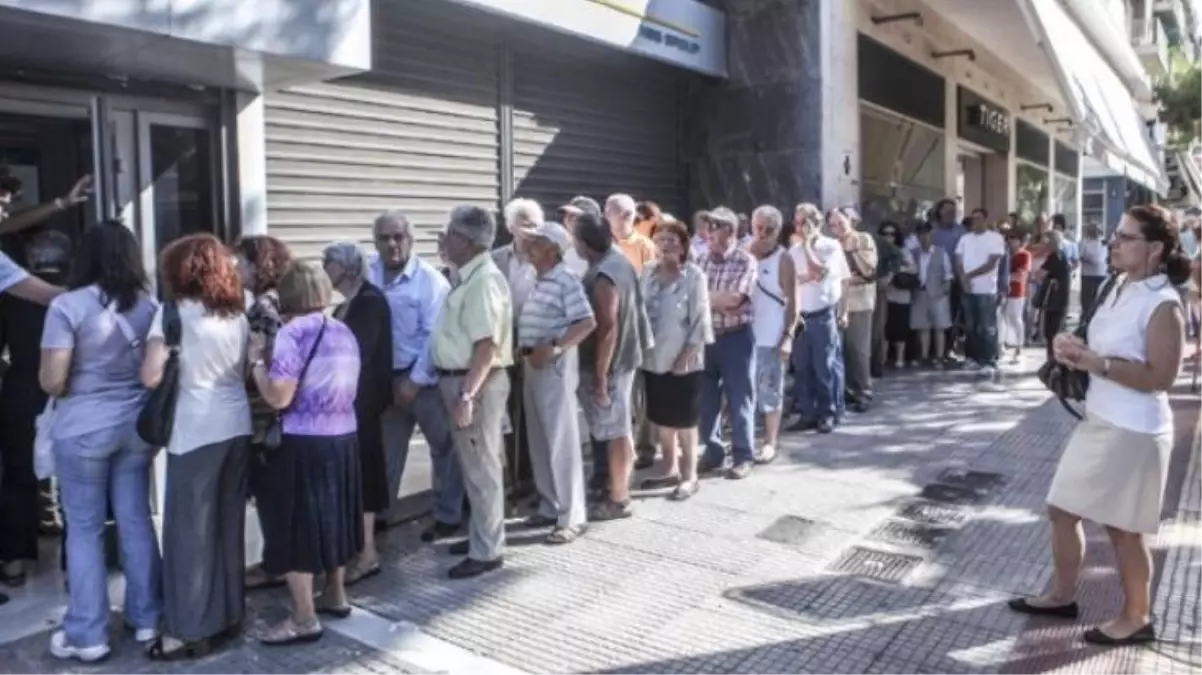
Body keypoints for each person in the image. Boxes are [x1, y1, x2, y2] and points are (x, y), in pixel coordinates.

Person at [1010, 205, 1189, 646]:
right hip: (1101, 420)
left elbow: (1160, 378)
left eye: (1126, 237)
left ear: (1154, 249)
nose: (1114, 242)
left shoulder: (1164, 304)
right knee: (1061, 510)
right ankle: (1061, 595)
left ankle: (1137, 616)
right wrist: (1071, 345)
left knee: (1124, 531)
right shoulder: (1116, 285)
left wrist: (1098, 363)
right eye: (1115, 234)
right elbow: (1101, 344)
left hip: (1135, 431)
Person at [39, 221, 161, 662]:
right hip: (134, 431)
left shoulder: (66, 306)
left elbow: (52, 381)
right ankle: (147, 617)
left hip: (84, 432)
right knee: (135, 520)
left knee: (85, 530)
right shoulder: (148, 307)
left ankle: (87, 634)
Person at [140, 233, 251, 661]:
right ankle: (229, 614)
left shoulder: (172, 315)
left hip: (194, 430)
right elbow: (241, 373)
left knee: (189, 533)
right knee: (227, 525)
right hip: (235, 423)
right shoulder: (236, 316)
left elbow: (150, 376)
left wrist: (164, 352)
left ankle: (187, 630)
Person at [248, 261, 363, 644]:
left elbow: (279, 397)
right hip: (344, 438)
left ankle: (303, 617)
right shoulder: (344, 330)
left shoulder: (292, 333)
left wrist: (256, 365)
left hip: (303, 443)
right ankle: (336, 593)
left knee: (296, 526)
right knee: (334, 517)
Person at [369, 211, 464, 542]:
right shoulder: (370, 272)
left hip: (421, 381)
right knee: (387, 451)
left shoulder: (429, 282)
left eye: (399, 237)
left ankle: (448, 516)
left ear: (410, 240)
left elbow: (433, 337)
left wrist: (414, 380)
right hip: (384, 381)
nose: (392, 244)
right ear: (375, 242)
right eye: (385, 238)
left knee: (443, 448)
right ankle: (380, 517)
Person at [431, 205, 512, 579]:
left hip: (473, 382)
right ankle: (482, 534)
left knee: (482, 469)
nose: (443, 239)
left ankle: (488, 549)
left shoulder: (482, 281)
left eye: (448, 233)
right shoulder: (469, 277)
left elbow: (486, 346)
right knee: (474, 467)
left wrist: (466, 395)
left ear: (465, 240)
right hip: (463, 379)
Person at [0, 229, 73, 588]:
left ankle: (14, 563)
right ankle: (76, 557)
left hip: (22, 388)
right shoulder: (78, 294)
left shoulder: (11, 296)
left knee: (18, 474)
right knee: (78, 474)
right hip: (72, 389)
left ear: (29, 259)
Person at [516, 222, 595, 543]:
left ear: (552, 248)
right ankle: (551, 505)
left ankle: (572, 515)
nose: (528, 248)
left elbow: (587, 322)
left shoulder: (565, 279)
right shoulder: (540, 279)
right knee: (540, 439)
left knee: (561, 441)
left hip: (554, 366)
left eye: (536, 243)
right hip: (533, 364)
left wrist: (556, 347)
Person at [324, 242, 393, 582]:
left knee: (365, 475)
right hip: (346, 407)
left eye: (329, 262)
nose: (324, 267)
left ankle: (368, 553)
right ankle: (358, 548)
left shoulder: (369, 302)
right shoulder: (343, 308)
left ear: (347, 267)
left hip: (363, 404)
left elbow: (356, 352)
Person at [574, 209, 650, 518]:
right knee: (620, 430)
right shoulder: (619, 261)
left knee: (616, 431)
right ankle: (619, 489)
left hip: (613, 366)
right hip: (624, 360)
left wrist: (601, 377)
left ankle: (619, 499)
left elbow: (608, 327)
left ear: (583, 242)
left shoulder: (605, 274)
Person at [233, 235, 293, 592]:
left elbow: (261, 364)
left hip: (263, 418)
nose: (236, 269)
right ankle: (280, 561)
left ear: (260, 265)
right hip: (278, 416)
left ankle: (277, 565)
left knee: (271, 496)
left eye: (241, 261)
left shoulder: (260, 311)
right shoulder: (282, 303)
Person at [640, 220, 713, 499]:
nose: (666, 244)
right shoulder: (647, 272)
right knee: (662, 419)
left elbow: (701, 320)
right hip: (653, 359)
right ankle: (669, 468)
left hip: (685, 362)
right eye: (661, 239)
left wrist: (686, 356)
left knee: (685, 421)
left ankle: (689, 475)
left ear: (683, 245)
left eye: (673, 240)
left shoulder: (694, 276)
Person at [696, 207, 759, 479]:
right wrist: (716, 300)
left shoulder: (745, 261)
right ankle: (713, 452)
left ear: (730, 232)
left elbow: (736, 300)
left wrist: (708, 300)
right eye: (707, 227)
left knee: (740, 397)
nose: (707, 232)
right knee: (706, 399)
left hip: (737, 338)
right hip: (707, 338)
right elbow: (692, 300)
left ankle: (743, 455)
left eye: (714, 227)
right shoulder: (700, 260)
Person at [493, 198, 543, 504]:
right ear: (510, 227)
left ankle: (539, 479)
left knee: (536, 415)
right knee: (509, 415)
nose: (528, 229)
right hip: (504, 346)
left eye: (533, 223)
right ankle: (518, 477)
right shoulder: (497, 259)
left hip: (537, 347)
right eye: (522, 222)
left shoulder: (547, 258)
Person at [605, 194, 658, 471]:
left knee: (639, 393)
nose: (623, 218)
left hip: (635, 327)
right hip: (611, 326)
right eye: (615, 212)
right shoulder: (604, 245)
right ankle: (619, 445)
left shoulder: (645, 246)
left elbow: (650, 286)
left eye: (626, 213)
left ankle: (646, 446)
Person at [788, 203, 849, 434]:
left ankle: (828, 412)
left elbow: (820, 272)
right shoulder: (792, 251)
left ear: (816, 223)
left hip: (822, 315)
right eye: (797, 222)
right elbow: (792, 280)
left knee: (825, 367)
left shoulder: (830, 246)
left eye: (804, 222)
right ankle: (807, 412)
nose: (800, 227)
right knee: (802, 368)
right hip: (800, 317)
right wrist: (806, 275)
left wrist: (806, 245)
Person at [747, 205, 795, 464]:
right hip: (741, 335)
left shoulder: (784, 258)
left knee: (770, 390)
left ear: (778, 231)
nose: (763, 234)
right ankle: (744, 439)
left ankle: (770, 441)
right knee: (743, 391)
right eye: (759, 228)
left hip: (770, 336)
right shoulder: (743, 252)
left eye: (769, 229)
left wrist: (788, 336)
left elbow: (794, 302)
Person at [830, 207, 878, 412]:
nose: (838, 228)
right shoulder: (831, 244)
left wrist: (853, 249)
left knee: (859, 349)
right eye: (833, 225)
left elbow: (869, 270)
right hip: (837, 302)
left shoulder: (863, 239)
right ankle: (845, 391)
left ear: (851, 221)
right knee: (841, 350)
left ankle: (863, 391)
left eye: (841, 223)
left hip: (860, 302)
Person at [954, 207, 1005, 375]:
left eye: (978, 218)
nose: (975, 222)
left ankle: (989, 359)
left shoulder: (995, 238)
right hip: (968, 289)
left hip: (986, 289)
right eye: (973, 218)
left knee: (986, 326)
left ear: (985, 220)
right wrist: (963, 279)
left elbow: (992, 263)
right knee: (970, 326)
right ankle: (972, 358)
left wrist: (969, 276)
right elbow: (958, 260)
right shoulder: (965, 239)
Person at [909, 222, 954, 365]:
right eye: (920, 234)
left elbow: (948, 275)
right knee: (923, 327)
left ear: (931, 235)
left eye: (926, 234)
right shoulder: (914, 253)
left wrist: (944, 291)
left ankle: (939, 356)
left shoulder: (941, 252)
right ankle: (923, 355)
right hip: (919, 293)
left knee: (939, 327)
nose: (923, 237)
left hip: (938, 294)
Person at [879, 222, 914, 369]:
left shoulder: (903, 252)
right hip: (883, 295)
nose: (889, 237)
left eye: (892, 234)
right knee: (883, 329)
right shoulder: (878, 251)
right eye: (885, 234)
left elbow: (913, 269)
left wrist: (894, 269)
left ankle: (899, 358)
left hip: (901, 295)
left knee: (900, 329)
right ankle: (883, 358)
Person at [1035, 230, 1071, 363]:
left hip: (1053, 299)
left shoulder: (1054, 257)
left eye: (1046, 242)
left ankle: (1053, 361)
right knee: (1054, 331)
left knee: (1051, 332)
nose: (1044, 245)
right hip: (1061, 299)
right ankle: (1054, 360)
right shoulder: (1063, 256)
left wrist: (1045, 280)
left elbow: (1039, 274)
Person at [1000, 230, 1031, 364]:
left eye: (1014, 239)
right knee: (1002, 319)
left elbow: (1020, 275)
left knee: (1015, 319)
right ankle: (1003, 345)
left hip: (1017, 292)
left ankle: (1019, 347)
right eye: (1009, 239)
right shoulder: (1004, 254)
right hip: (1003, 292)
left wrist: (1004, 279)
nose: (1011, 242)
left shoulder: (1024, 255)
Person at [1079, 223, 1108, 315]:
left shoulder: (1103, 241)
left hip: (1101, 273)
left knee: (1099, 298)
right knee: (1087, 299)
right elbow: (1080, 255)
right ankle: (1085, 316)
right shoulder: (1085, 242)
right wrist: (1086, 259)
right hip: (1088, 274)